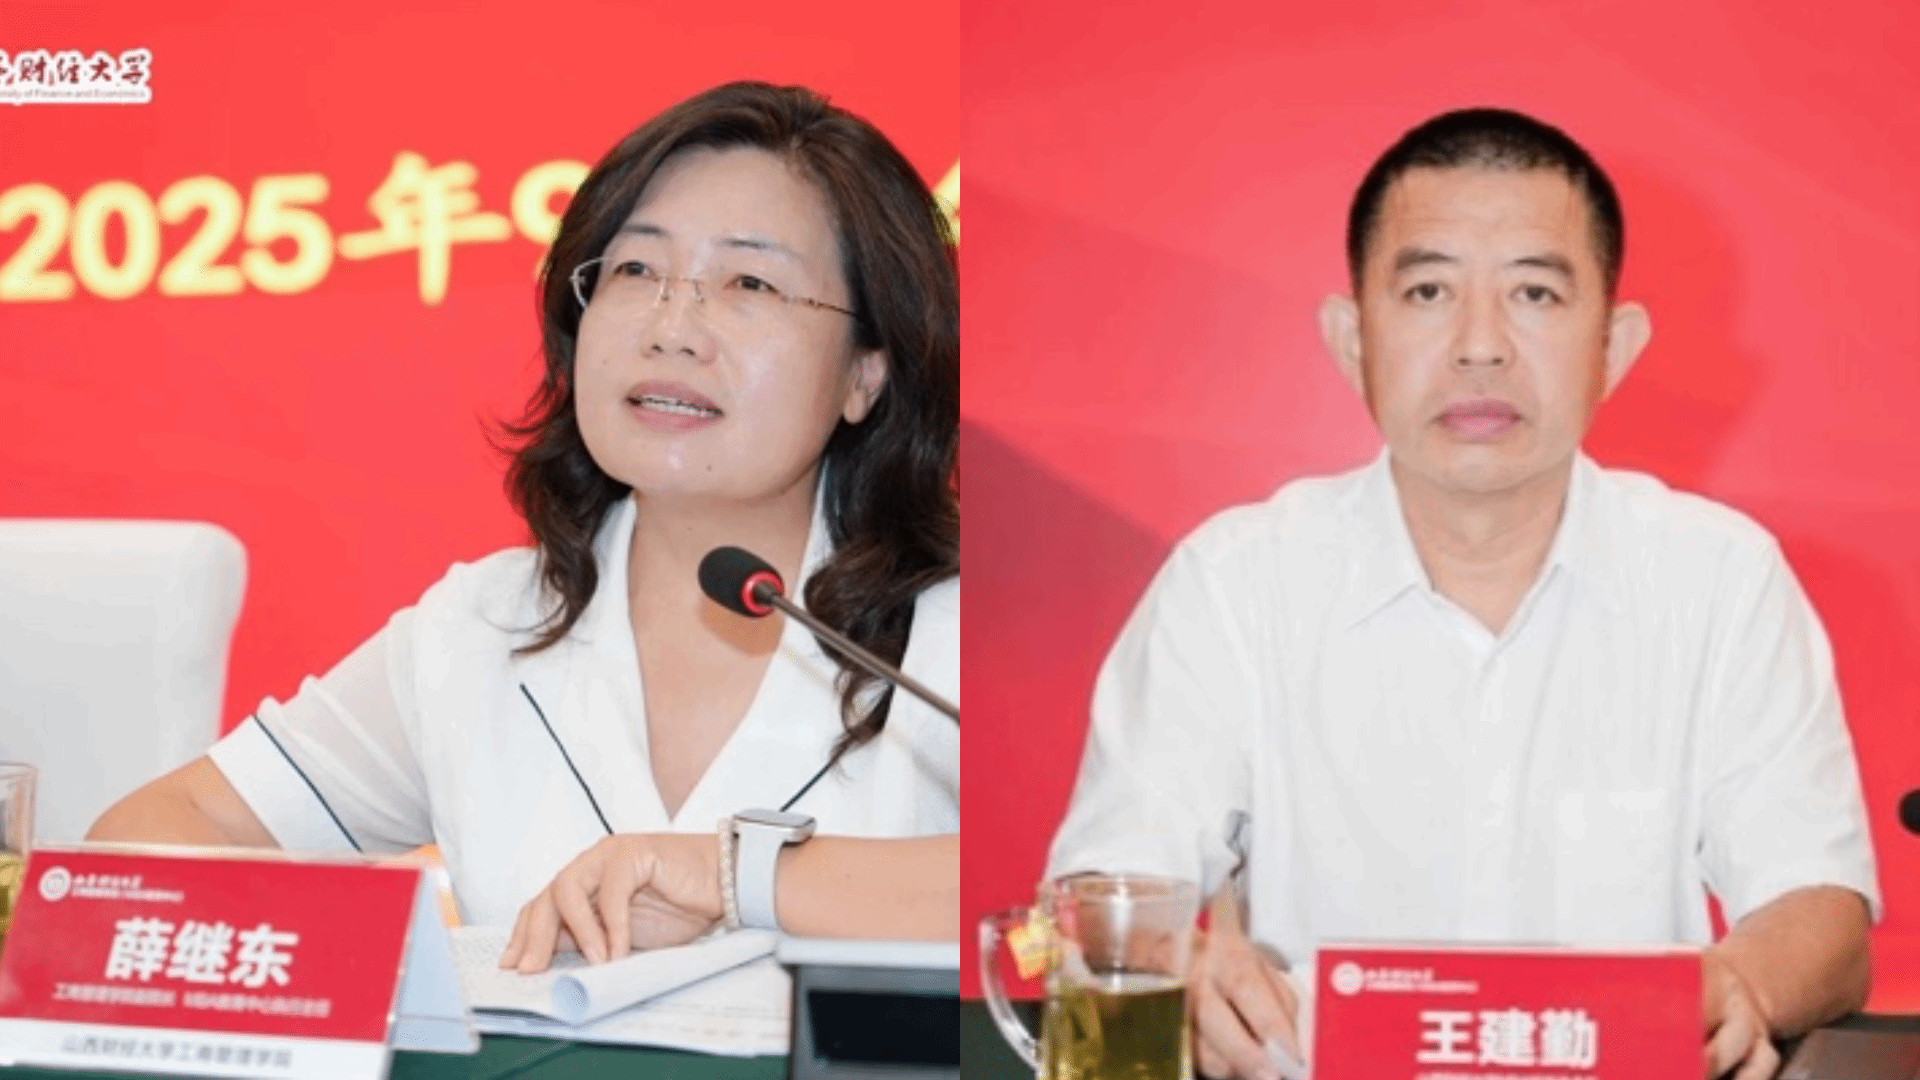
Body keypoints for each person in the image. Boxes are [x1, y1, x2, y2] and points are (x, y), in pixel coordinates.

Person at [1046, 108, 1877, 1080]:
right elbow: (1091, 897)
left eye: (1534, 292)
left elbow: (1822, 912)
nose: (1481, 346)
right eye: (1429, 290)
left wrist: (1743, 982)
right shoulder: (1234, 583)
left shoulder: (1722, 581)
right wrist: (1169, 966)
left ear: (1614, 347)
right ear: (1352, 339)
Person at [90, 81, 960, 971]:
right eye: (635, 271)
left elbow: (1042, 889)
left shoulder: (957, 635)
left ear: (867, 373)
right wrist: (374, 973)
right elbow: (155, 833)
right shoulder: (485, 626)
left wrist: (738, 877)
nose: (672, 329)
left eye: (749, 283)